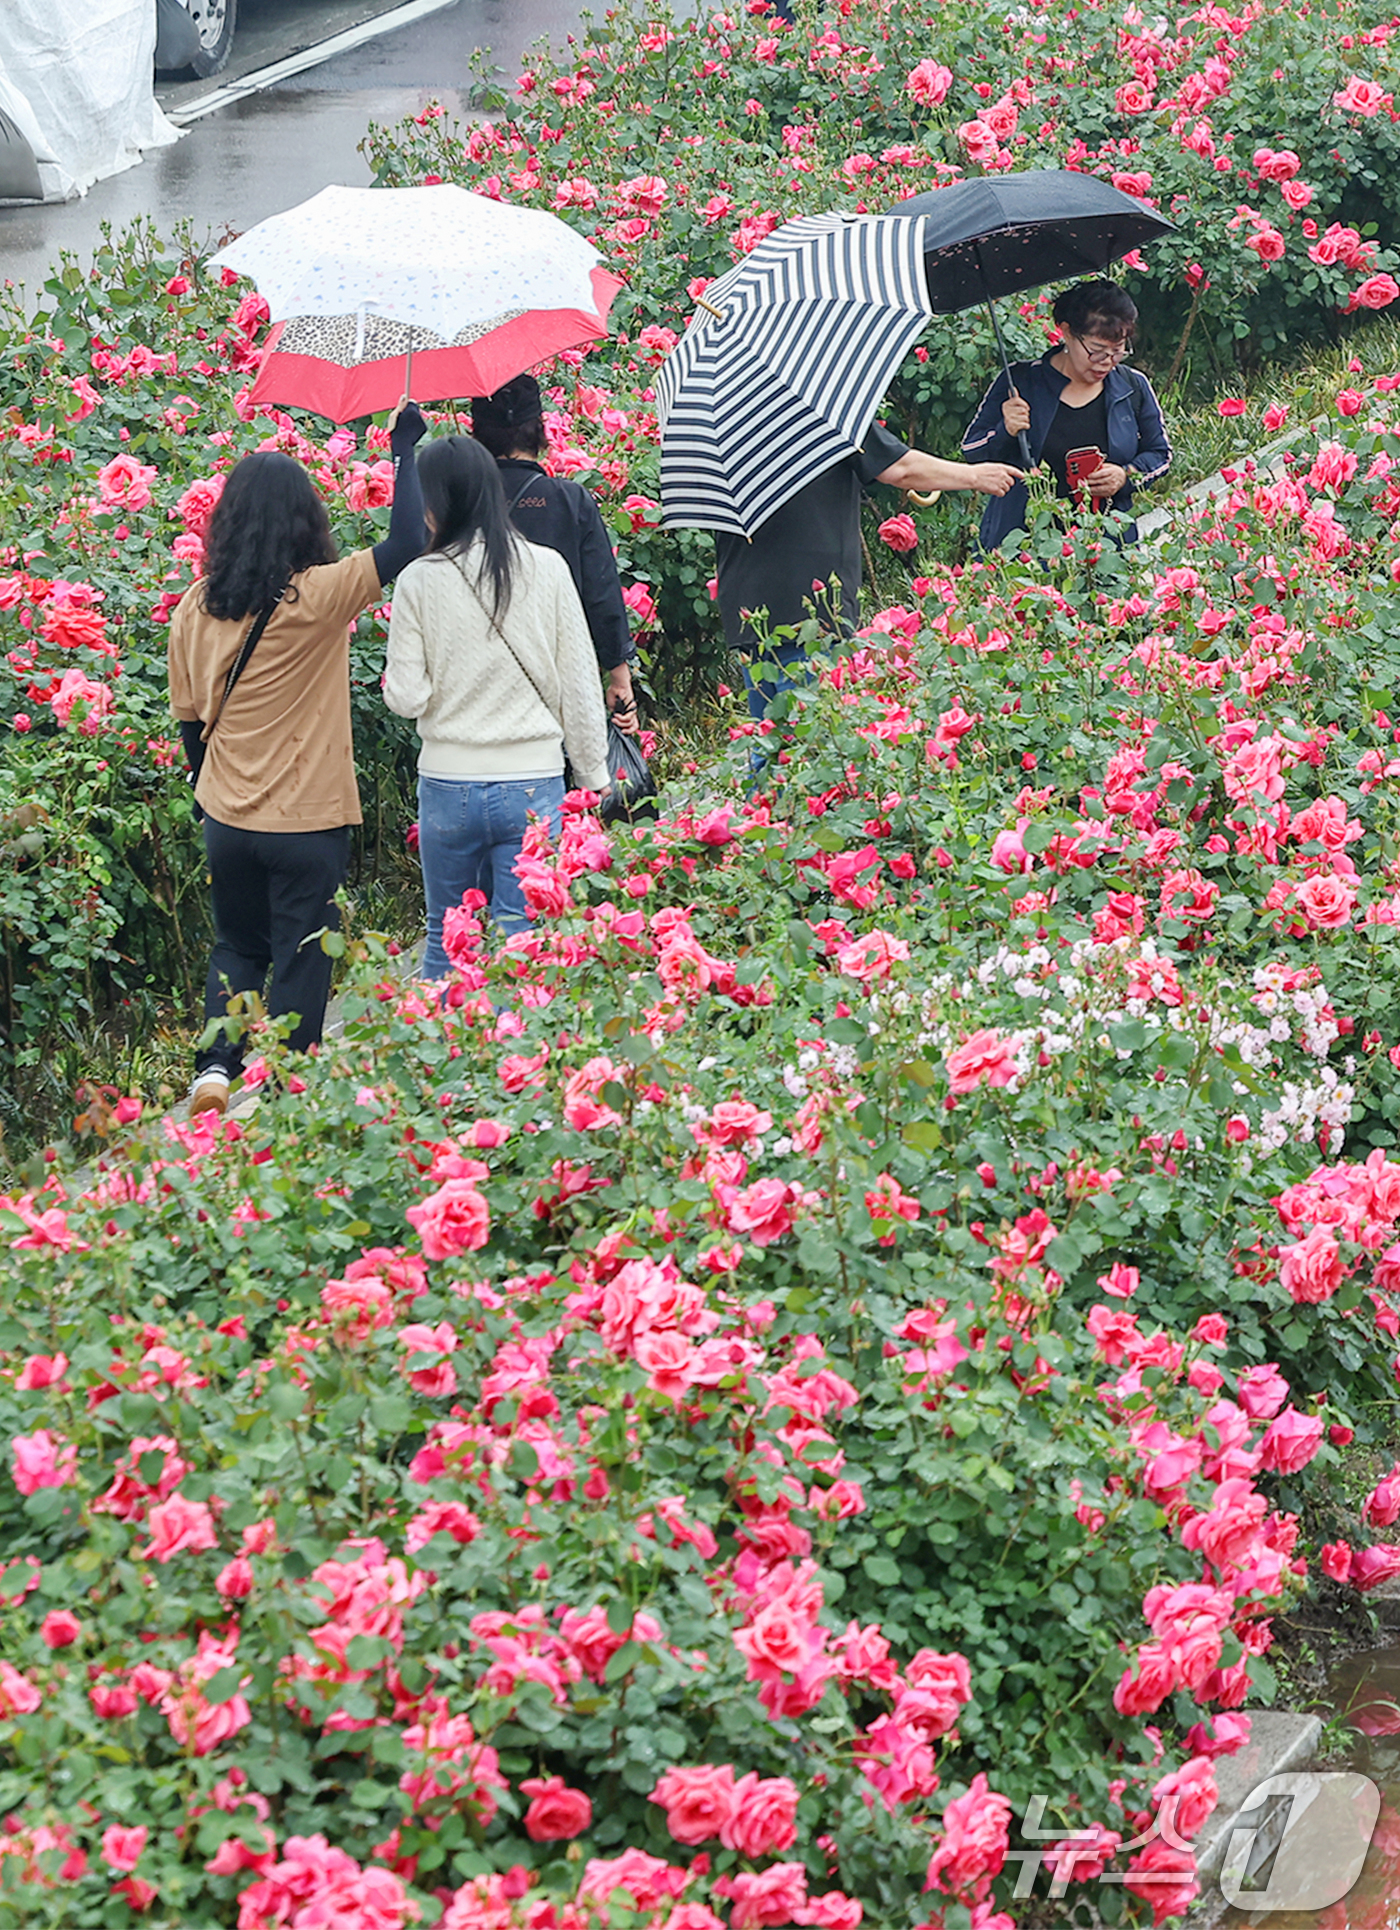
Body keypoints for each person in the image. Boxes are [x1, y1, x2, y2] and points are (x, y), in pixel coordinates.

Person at [168, 402, 428, 1120]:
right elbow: (405, 543)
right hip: (307, 822)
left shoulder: (194, 607)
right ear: (304, 523)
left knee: (237, 947)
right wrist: (406, 449)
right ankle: (285, 1097)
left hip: (227, 815)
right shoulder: (316, 598)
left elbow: (191, 724)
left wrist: (214, 793)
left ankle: (216, 1069)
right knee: (304, 956)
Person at [383, 435, 610, 974]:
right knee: (524, 937)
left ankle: (442, 1051)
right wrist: (594, 774)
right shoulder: (548, 568)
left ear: (435, 504)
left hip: (447, 786)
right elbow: (579, 683)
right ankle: (515, 1054)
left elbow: (407, 697)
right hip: (533, 783)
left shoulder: (418, 579)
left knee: (446, 937)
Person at [713, 423, 1022, 719]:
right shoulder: (819, 413)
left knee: (770, 750)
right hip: (810, 609)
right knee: (817, 747)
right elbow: (900, 468)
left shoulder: (725, 429)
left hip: (748, 609)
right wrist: (974, 475)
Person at [470, 375, 639, 735]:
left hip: (478, 686)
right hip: (560, 679)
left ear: (477, 434)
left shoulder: (460, 507)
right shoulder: (569, 500)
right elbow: (602, 593)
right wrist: (619, 678)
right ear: (539, 431)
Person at [961, 279, 1171, 551]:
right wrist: (1006, 430)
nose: (1107, 362)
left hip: (1106, 549)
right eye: (1096, 351)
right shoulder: (1021, 383)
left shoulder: (1132, 386)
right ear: (1066, 332)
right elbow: (971, 451)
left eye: (1118, 352)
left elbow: (1160, 454)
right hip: (1025, 551)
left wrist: (1125, 475)